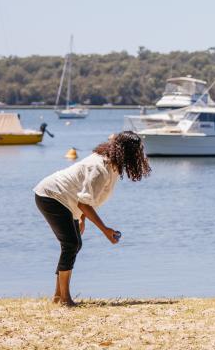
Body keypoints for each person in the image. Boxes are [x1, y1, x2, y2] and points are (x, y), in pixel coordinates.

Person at [33, 130, 151, 305]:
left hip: (67, 200)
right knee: (71, 244)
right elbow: (84, 203)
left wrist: (82, 218)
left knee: (73, 244)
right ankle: (65, 299)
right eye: (137, 151)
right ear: (127, 151)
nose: (140, 155)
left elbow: (85, 197)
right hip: (52, 195)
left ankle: (58, 296)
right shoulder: (100, 168)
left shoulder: (112, 165)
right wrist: (105, 230)